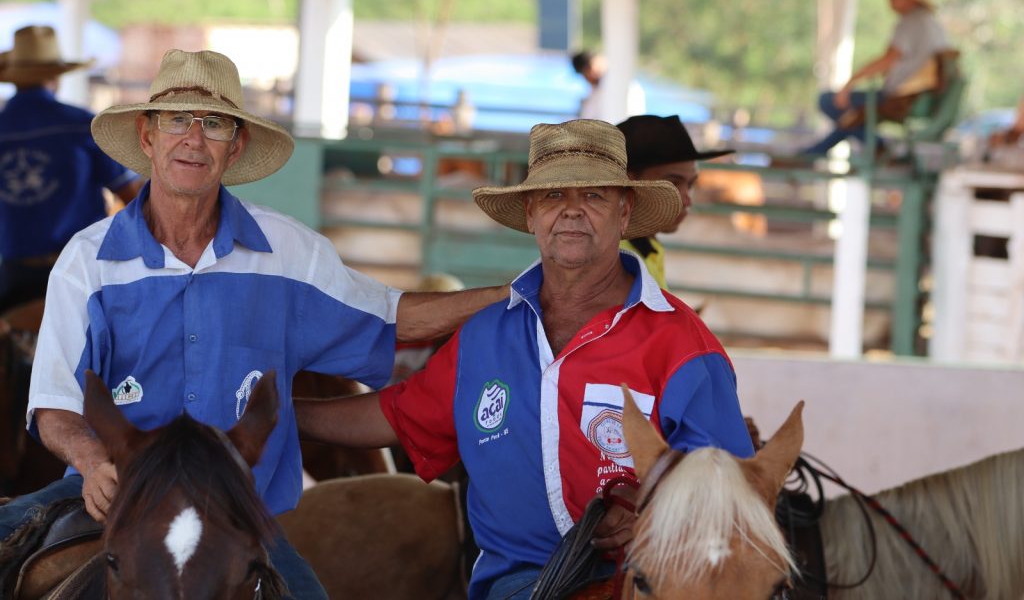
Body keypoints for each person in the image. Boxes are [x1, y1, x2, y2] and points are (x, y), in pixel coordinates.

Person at [1, 49, 508, 598]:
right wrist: (93, 461)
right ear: (147, 138)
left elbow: (396, 318)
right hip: (112, 495)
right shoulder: (87, 260)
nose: (193, 139)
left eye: (213, 124)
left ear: (235, 145)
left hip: (238, 512)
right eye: (177, 120)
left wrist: (512, 293)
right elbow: (54, 404)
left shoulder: (288, 251)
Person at [296, 118, 755, 599]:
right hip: (515, 585)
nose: (572, 212)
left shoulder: (683, 344)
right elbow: (394, 413)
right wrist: (281, 414)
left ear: (625, 213)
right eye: (554, 197)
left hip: (641, 583)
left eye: (594, 196)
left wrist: (652, 505)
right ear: (531, 214)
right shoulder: (485, 334)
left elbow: (729, 486)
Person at [0, 25, 142, 313]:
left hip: (14, 279)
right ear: (55, 76)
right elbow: (135, 199)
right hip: (82, 274)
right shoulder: (82, 126)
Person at [801, 0, 951, 157]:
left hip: (901, 99)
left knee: (828, 101)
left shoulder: (911, 22)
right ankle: (816, 152)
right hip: (921, 99)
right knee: (851, 119)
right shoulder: (933, 23)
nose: (890, 1)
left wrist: (851, 82)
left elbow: (888, 59)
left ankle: (879, 146)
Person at [617, 114, 735, 288]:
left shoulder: (647, 246)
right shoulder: (618, 259)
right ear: (629, 183)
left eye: (690, 184)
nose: (687, 200)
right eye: (673, 182)